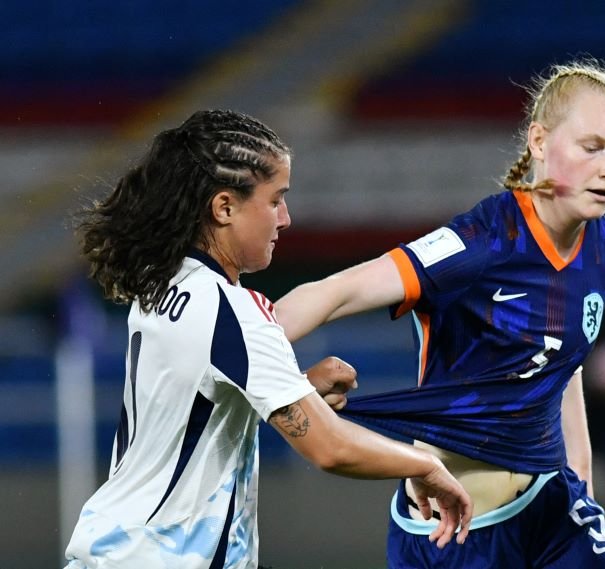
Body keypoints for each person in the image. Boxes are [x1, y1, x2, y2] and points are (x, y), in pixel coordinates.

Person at [275, 58, 605, 568]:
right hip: (456, 532)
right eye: (593, 148)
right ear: (539, 141)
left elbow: (563, 367)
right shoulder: (483, 242)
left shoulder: (604, 243)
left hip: (553, 510)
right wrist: (248, 360)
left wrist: (581, 484)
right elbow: (335, 292)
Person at [63, 109, 472, 569]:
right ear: (224, 208)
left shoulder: (164, 284)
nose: (287, 218)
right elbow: (330, 448)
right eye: (275, 200)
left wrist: (296, 388)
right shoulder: (234, 311)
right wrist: (425, 465)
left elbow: (193, 406)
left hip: (117, 549)